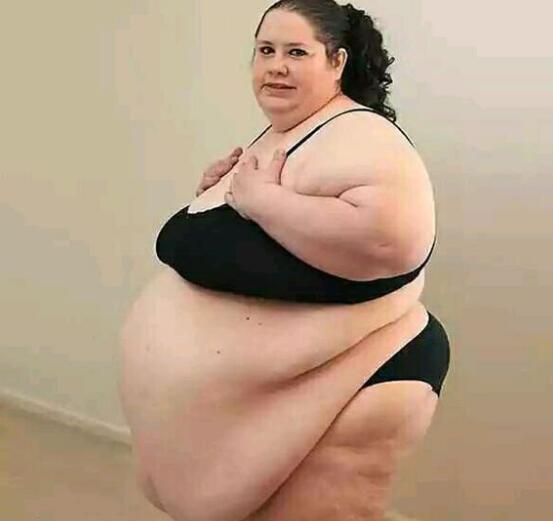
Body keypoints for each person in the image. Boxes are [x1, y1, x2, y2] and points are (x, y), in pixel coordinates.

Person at [118, 1, 451, 520]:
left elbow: (393, 239)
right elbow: (273, 245)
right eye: (265, 51)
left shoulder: (366, 136)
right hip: (275, 398)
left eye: (296, 52)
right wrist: (216, 203)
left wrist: (261, 201)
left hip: (356, 380)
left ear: (337, 62)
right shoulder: (292, 132)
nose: (276, 66)